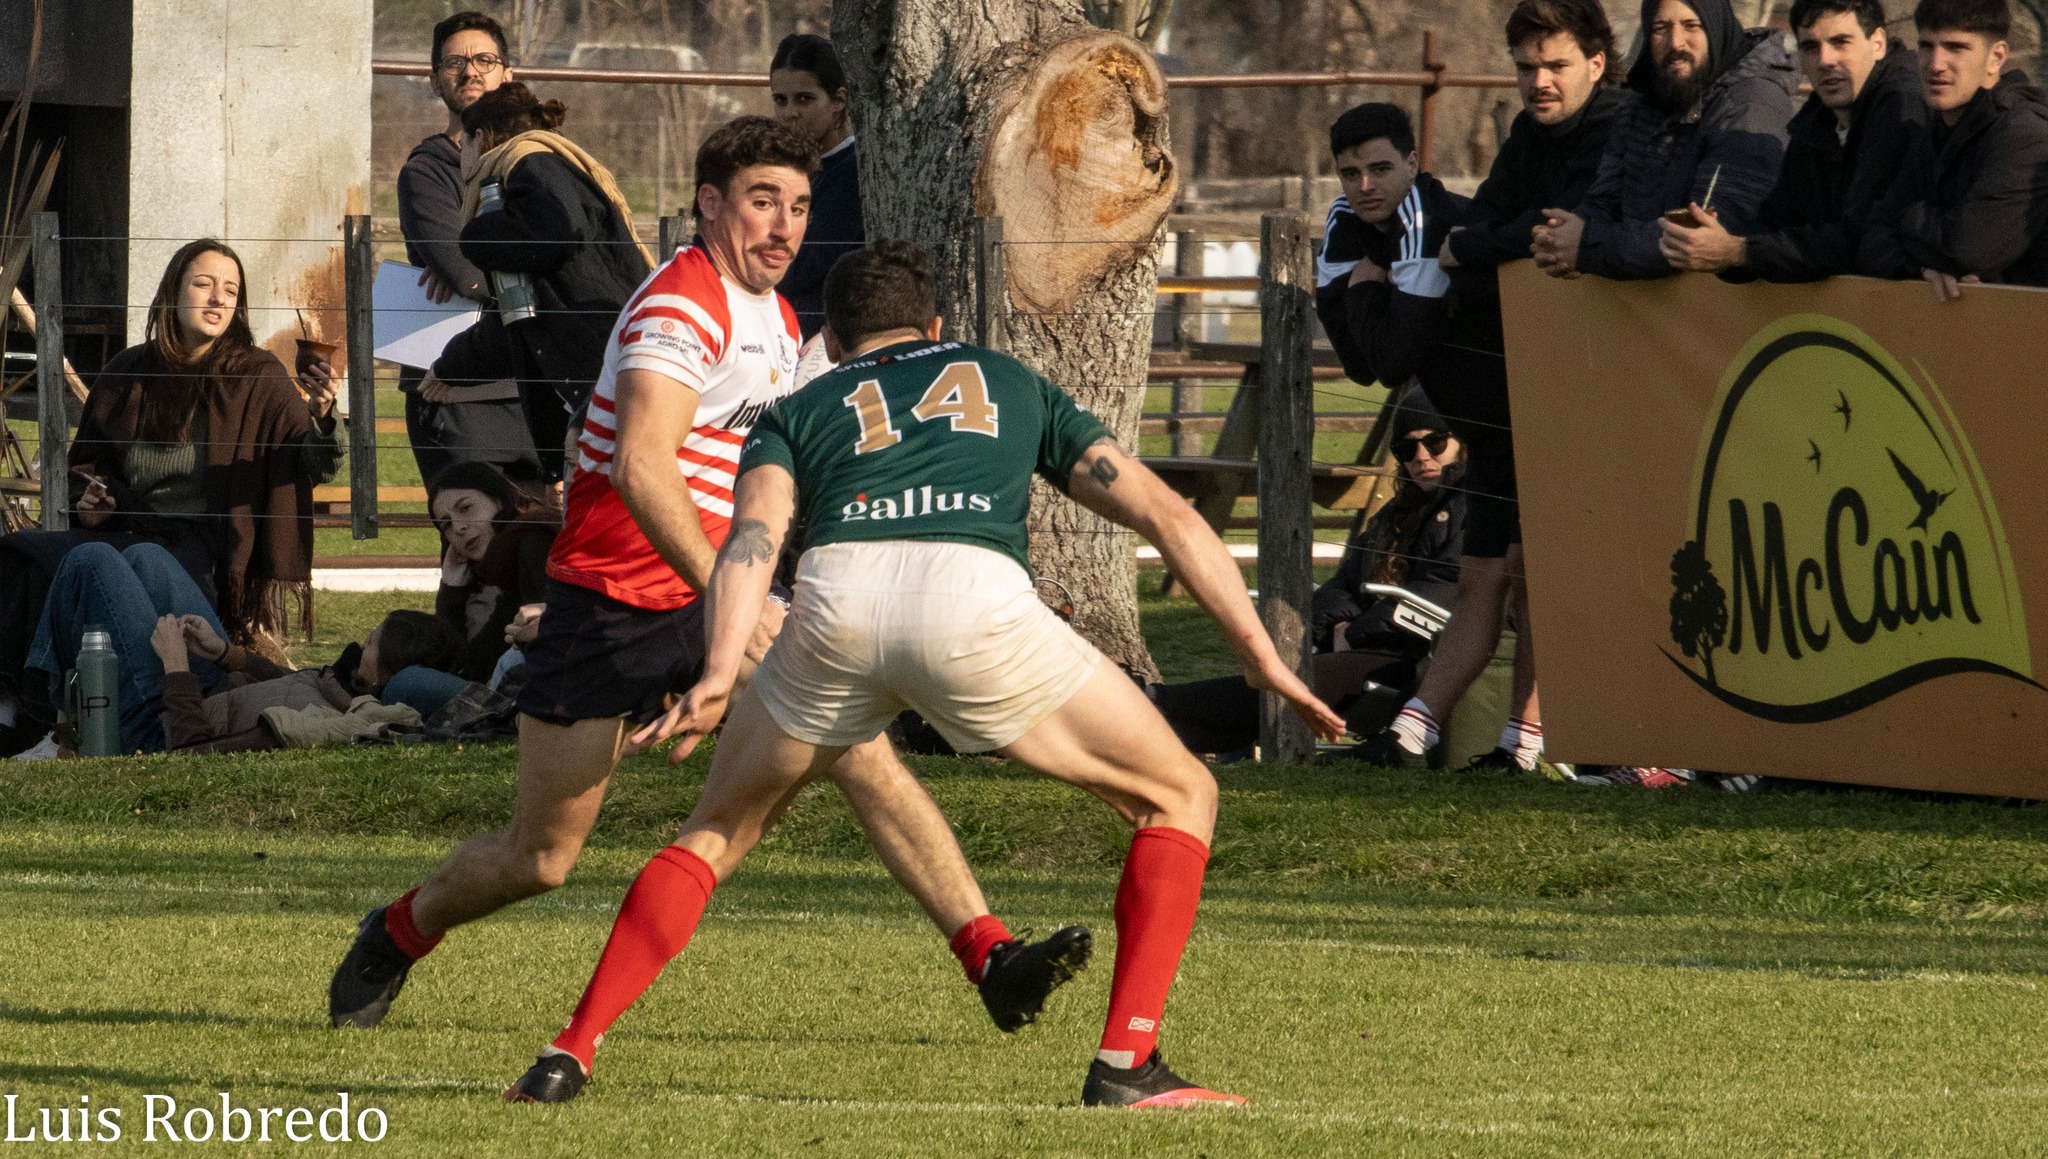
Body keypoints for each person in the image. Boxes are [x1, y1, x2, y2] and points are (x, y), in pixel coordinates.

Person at [500, 240, 1346, 1108]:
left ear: (831, 340)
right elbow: (1164, 512)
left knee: (713, 834)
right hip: (972, 602)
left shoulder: (797, 408)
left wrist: (720, 668)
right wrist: (1257, 652)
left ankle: (570, 1048)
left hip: (836, 611)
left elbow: (750, 542)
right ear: (936, 324)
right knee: (1180, 796)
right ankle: (1128, 1066)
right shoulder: (1006, 379)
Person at [327, 119, 1085, 1048]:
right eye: (764, 202)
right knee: (541, 858)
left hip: (721, 594)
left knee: (861, 752)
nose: (785, 227)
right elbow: (645, 468)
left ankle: (989, 953)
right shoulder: (679, 309)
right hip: (611, 606)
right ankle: (398, 931)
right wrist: (740, 595)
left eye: (800, 206)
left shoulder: (775, 312)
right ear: (711, 206)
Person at [1349, 0, 1622, 774]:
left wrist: (1490, 240)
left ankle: (1526, 740)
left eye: (1556, 64)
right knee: (1486, 573)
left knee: (1537, 575)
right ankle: (1415, 731)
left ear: (1596, 64)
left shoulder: (1618, 128)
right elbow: (1484, 232)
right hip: (1508, 399)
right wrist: (1494, 240)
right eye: (1528, 66)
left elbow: (1531, 230)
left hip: (1584, 388)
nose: (1539, 81)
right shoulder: (1530, 135)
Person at [0, 239, 344, 757]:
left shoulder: (257, 375)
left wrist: (321, 415)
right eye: (203, 284)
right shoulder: (128, 370)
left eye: (230, 290)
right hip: (127, 527)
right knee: (25, 556)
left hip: (205, 543)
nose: (217, 299)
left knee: (129, 562)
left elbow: (312, 465)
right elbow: (83, 467)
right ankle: (13, 706)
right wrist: (91, 501)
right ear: (172, 293)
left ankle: (50, 718)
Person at [1151, 392, 1465, 757]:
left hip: (1416, 658)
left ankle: (1158, 700)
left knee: (1287, 687)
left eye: (1435, 443)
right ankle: (1147, 732)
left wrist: (1358, 632)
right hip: (1368, 644)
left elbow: (1447, 588)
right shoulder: (1398, 511)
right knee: (1277, 688)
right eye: (1406, 449)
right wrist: (1331, 627)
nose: (1421, 457)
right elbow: (1348, 579)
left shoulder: (1470, 508)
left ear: (1461, 444)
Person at [20, 538, 458, 756]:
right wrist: (226, 654)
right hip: (207, 689)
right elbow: (298, 685)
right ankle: (67, 713)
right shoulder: (345, 691)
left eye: (374, 642)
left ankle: (51, 710)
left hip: (162, 722)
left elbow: (195, 754)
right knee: (146, 557)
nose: (364, 641)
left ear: (389, 670)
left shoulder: (343, 724)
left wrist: (176, 665)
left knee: (92, 559)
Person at [430, 83, 655, 478]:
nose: (460, 156)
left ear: (479, 137)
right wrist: (450, 366)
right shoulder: (530, 172)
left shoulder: (531, 163)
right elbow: (518, 318)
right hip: (600, 370)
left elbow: (558, 229)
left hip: (601, 373)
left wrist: (474, 236)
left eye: (462, 144)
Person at [1531, 0, 1798, 280]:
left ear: (1716, 28)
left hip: (1723, 308)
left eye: (1691, 26)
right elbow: (1604, 200)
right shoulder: (1640, 104)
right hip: (1646, 300)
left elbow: (1706, 232)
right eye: (1660, 28)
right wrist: (1563, 235)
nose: (1675, 43)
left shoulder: (1750, 104)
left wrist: (1588, 246)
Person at [1661, 0, 1926, 280]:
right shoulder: (1818, 117)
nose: (1825, 60)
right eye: (1810, 47)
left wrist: (1739, 252)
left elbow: (1860, 239)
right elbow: (1782, 220)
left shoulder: (1903, 106)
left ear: (1878, 44)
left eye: (1840, 43)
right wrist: (1720, 243)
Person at [392, 10, 543, 489]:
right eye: (454, 62)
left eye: (484, 59)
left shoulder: (540, 161)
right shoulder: (428, 171)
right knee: (474, 543)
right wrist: (516, 275)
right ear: (435, 80)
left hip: (533, 386)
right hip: (454, 392)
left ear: (508, 74)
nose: (471, 71)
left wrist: (480, 267)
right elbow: (465, 277)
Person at [1859, 0, 2048, 294]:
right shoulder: (1935, 129)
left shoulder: (2025, 135)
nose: (1935, 64)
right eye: (1925, 46)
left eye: (1956, 47)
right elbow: (1870, 240)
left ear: (1996, 57)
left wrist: (1907, 217)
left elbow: (1966, 250)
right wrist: (1920, 267)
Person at [769, 33, 864, 341]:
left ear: (839, 101)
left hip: (826, 336)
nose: (789, 113)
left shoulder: (854, 174)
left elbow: (799, 269)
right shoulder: (778, 169)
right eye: (780, 100)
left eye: (804, 99)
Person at [428, 460, 558, 682]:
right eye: (446, 524)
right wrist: (452, 588)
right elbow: (471, 667)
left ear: (498, 500)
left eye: (466, 508)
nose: (459, 527)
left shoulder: (535, 543)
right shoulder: (510, 563)